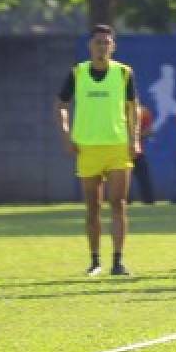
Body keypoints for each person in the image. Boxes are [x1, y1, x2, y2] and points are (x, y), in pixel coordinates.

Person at [56, 24, 138, 276]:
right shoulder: (77, 72)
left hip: (116, 146)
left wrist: (134, 140)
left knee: (118, 203)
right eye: (97, 42)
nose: (102, 47)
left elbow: (132, 107)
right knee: (92, 206)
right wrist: (67, 134)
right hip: (87, 147)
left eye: (106, 42)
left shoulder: (124, 73)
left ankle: (118, 261)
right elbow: (61, 104)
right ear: (89, 46)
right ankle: (94, 260)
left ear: (113, 47)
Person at [130, 103, 157, 205]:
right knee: (121, 178)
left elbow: (150, 131)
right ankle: (124, 200)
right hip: (122, 151)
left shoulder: (143, 111)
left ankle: (148, 200)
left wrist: (133, 138)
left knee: (144, 178)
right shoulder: (116, 110)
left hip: (136, 151)